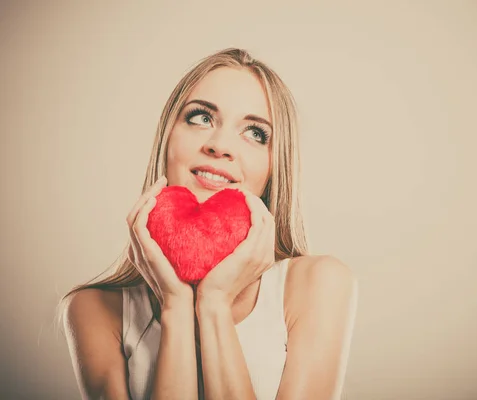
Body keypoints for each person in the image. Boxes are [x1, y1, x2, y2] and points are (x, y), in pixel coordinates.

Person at [58, 48, 358, 400]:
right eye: (201, 118)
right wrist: (176, 306)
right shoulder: (94, 309)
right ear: (167, 139)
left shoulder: (318, 285)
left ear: (274, 168)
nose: (219, 146)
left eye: (255, 133)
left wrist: (213, 304)